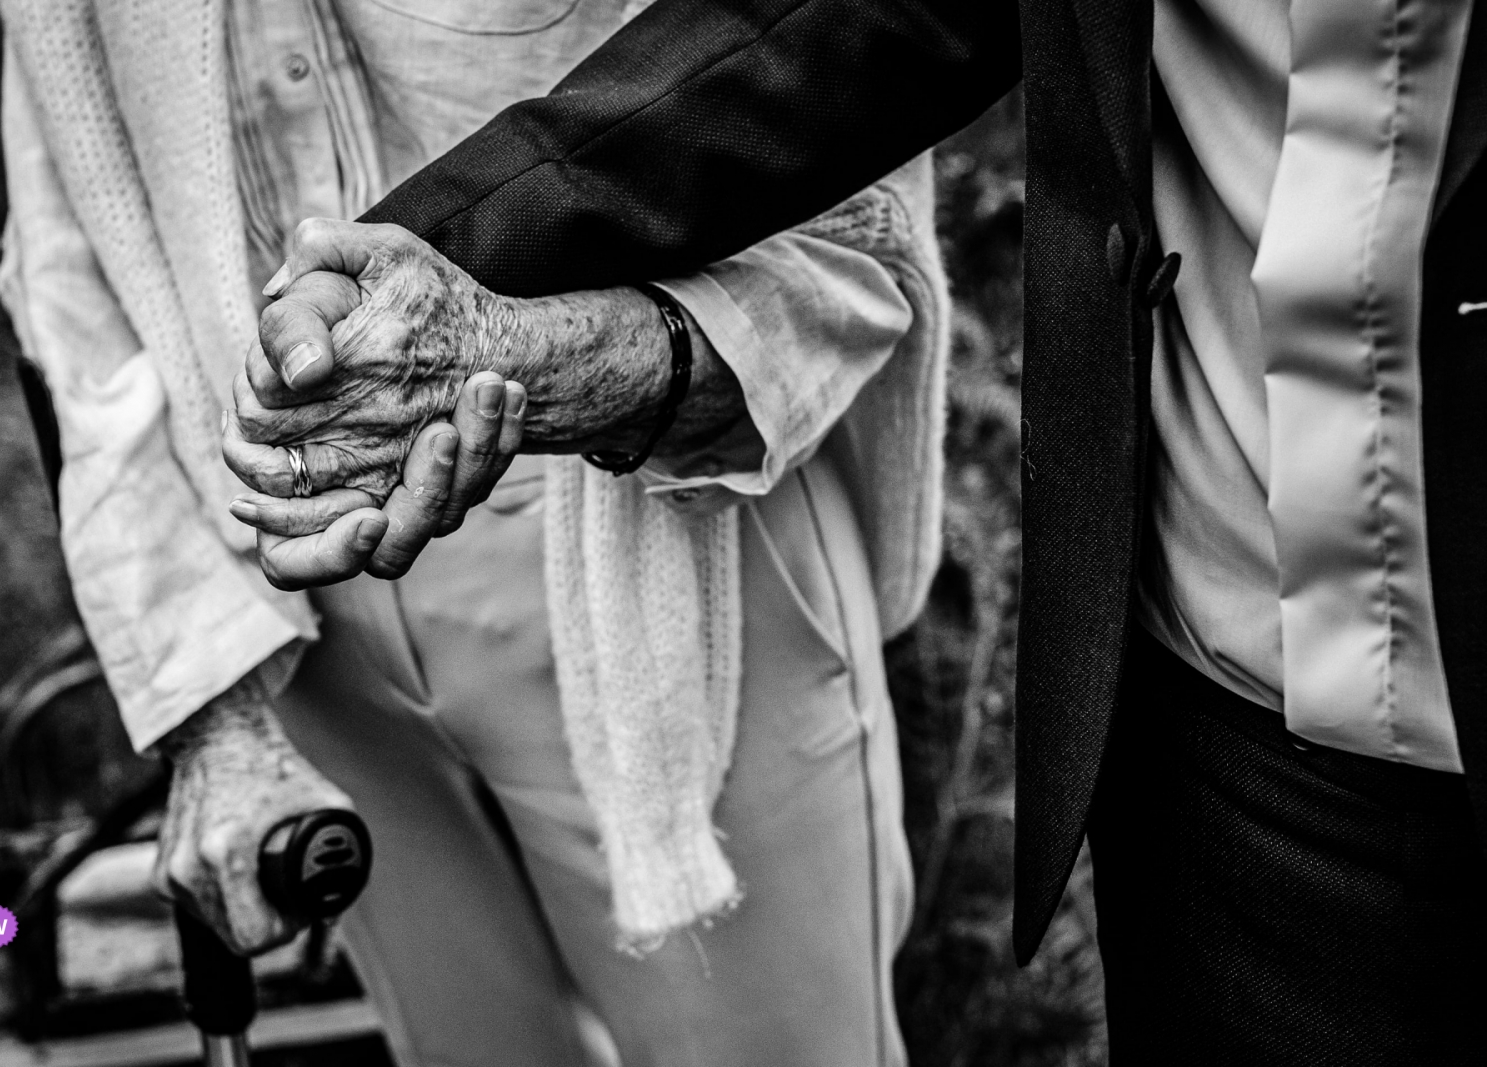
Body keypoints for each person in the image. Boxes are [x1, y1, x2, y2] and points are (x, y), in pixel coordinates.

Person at [225, 0, 1487, 1063]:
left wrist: (549, 348)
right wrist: (439, 257)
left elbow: (857, 254)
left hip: (708, 551)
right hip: (1224, 730)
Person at [0, 1, 950, 1063]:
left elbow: (843, 159)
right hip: (301, 613)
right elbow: (67, 275)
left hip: (668, 522)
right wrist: (214, 708)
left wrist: (556, 362)